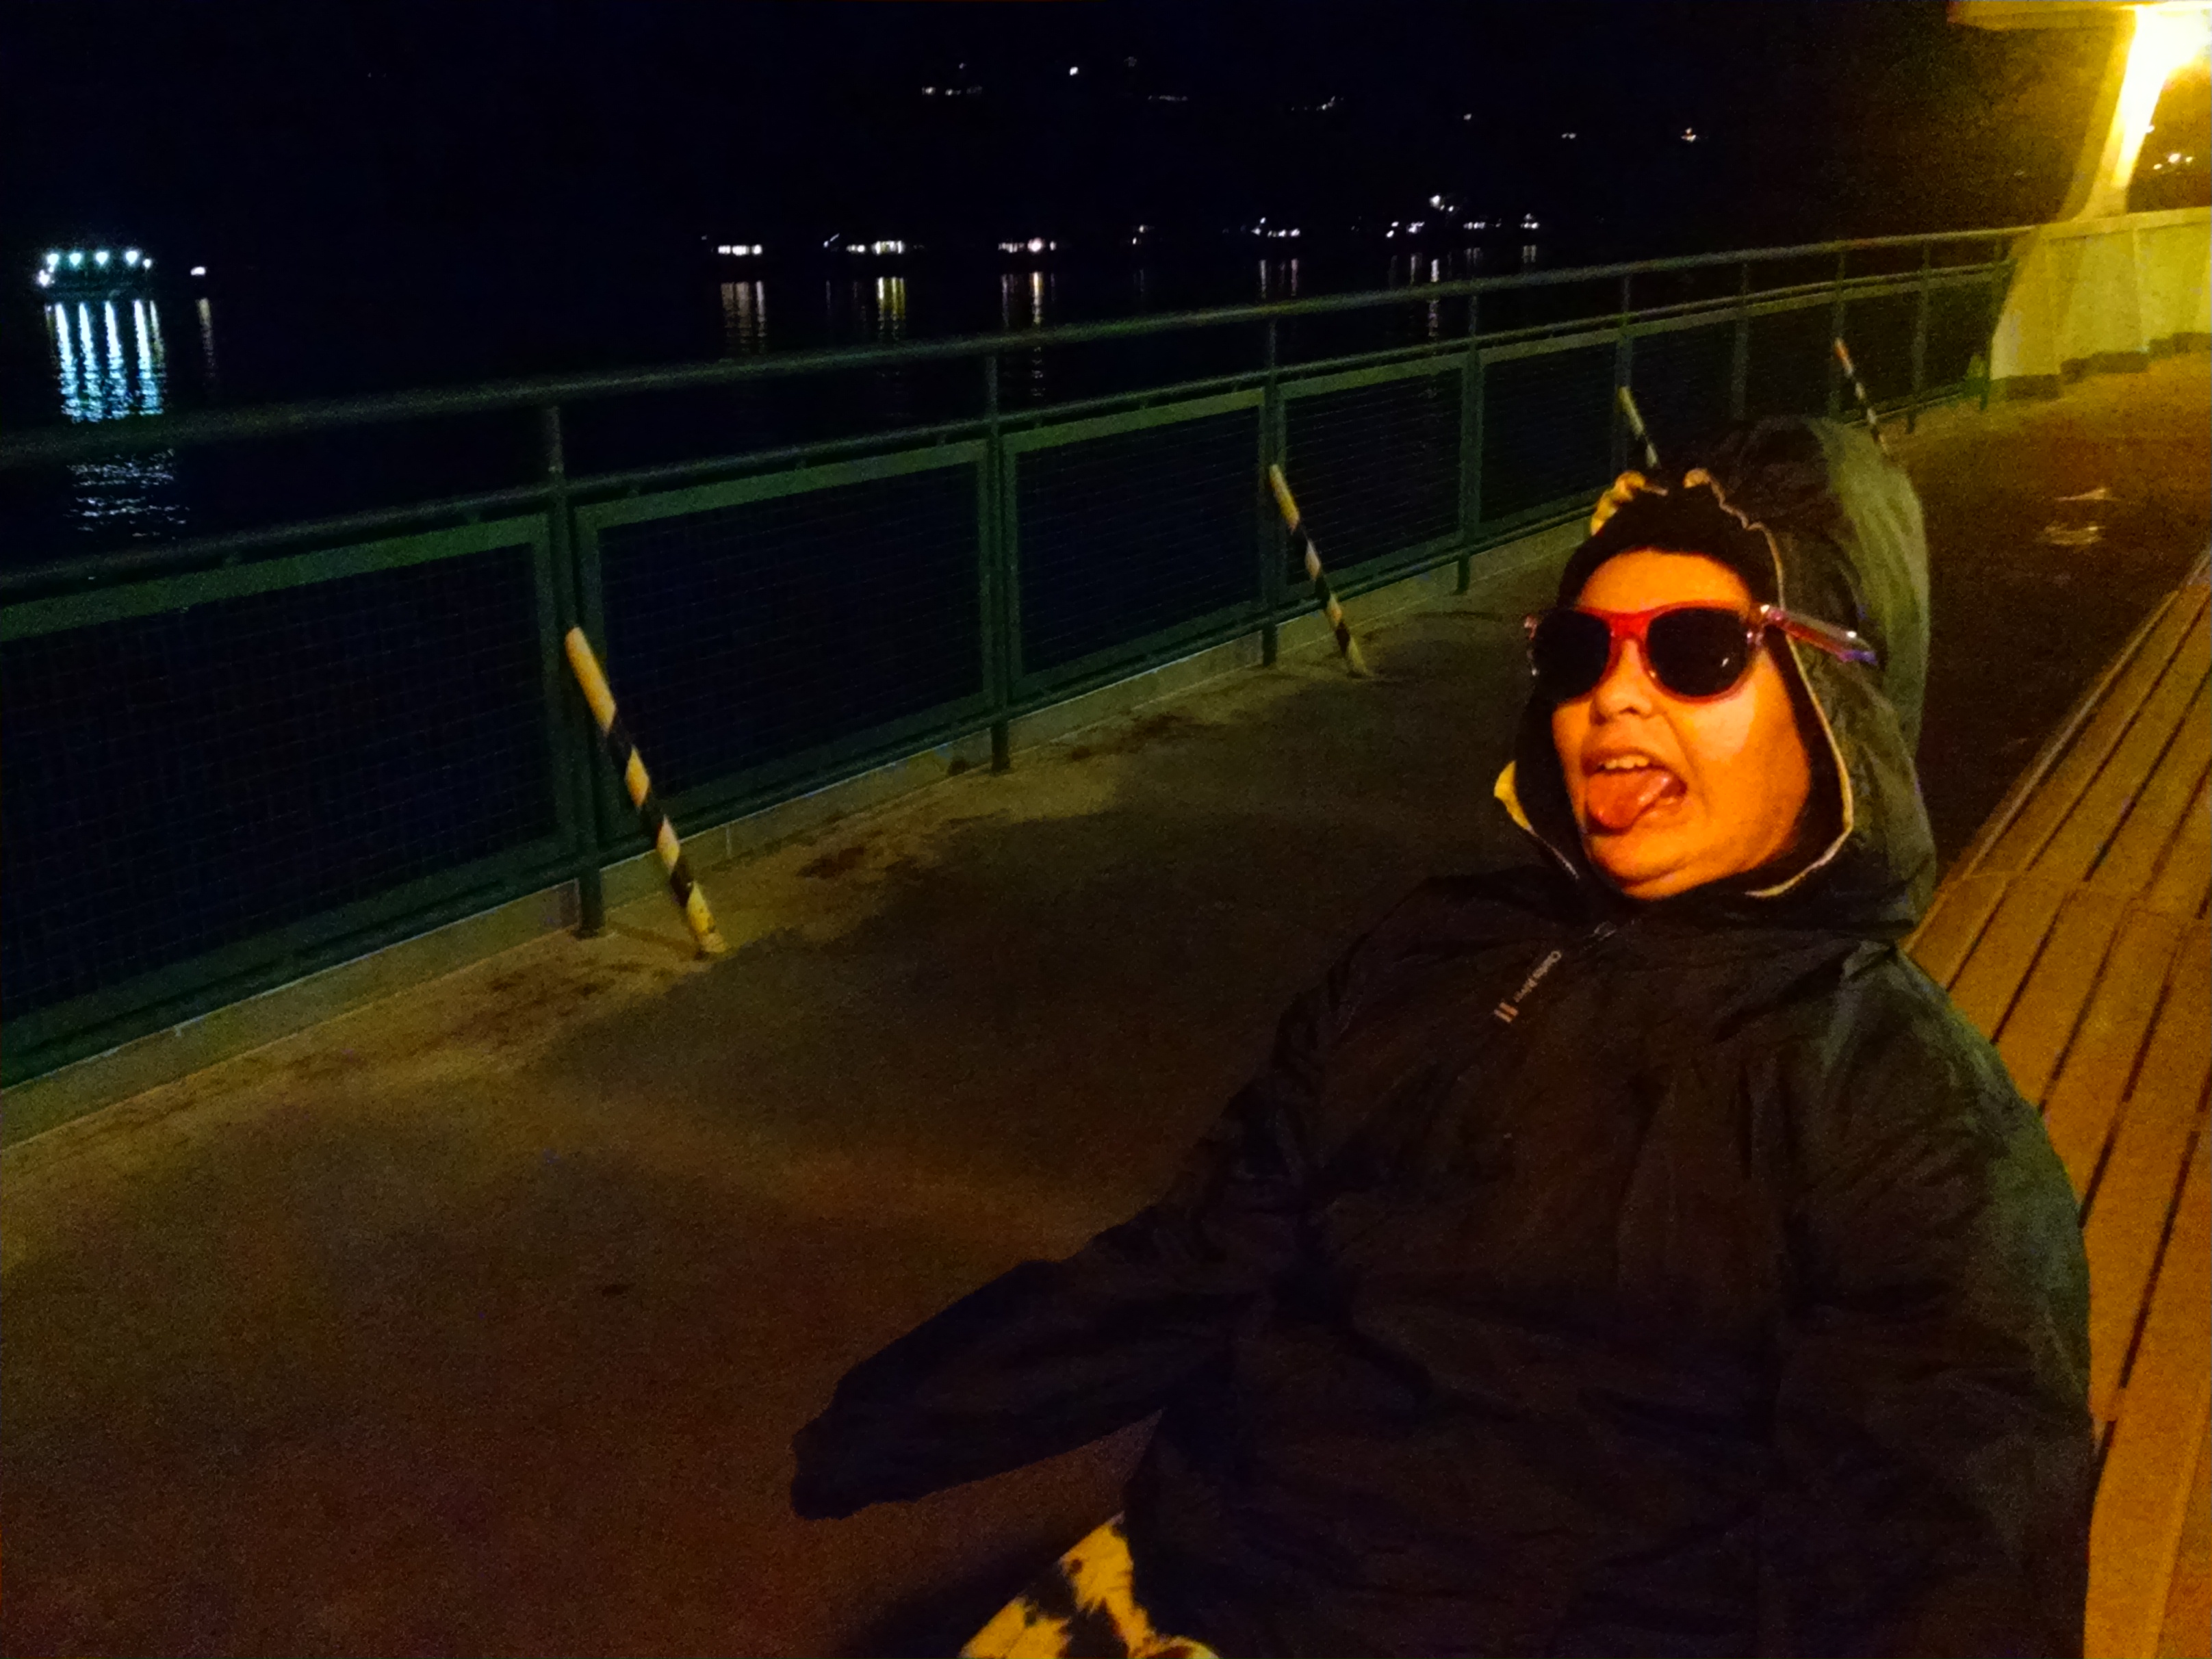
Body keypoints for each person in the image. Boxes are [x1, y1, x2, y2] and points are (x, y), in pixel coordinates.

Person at [790, 416, 2094, 1659]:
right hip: (1206, 1575)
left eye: (1695, 651)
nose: (1615, 701)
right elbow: (1211, 1250)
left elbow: (1941, 1543)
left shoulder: (1903, 1109)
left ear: (1836, 697)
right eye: (1580, 654)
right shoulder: (1440, 949)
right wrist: (911, 1410)